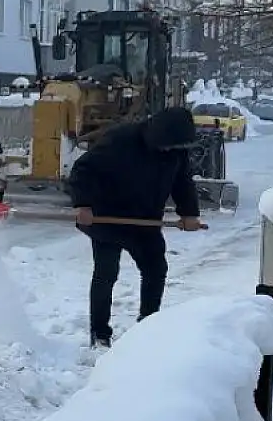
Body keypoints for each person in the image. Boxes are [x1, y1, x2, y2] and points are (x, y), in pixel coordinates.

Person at [66, 106, 205, 348]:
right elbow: (83, 170)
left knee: (155, 269)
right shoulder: (120, 140)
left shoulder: (176, 150)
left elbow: (182, 182)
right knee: (106, 273)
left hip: (145, 221)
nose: (170, 150)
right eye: (168, 145)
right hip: (107, 218)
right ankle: (99, 334)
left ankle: (147, 326)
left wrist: (189, 213)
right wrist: (82, 205)